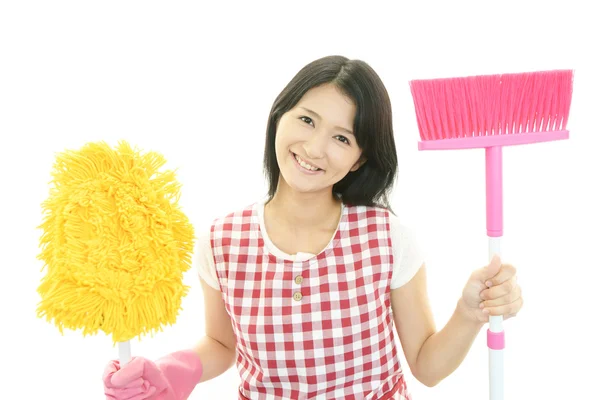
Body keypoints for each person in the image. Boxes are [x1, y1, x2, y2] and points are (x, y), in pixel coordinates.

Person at [102, 55, 523, 400]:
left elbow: (427, 367)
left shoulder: (387, 238)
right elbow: (221, 345)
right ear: (280, 115)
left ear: (359, 158)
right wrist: (174, 371)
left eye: (343, 138)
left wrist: (471, 313)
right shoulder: (221, 241)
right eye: (307, 120)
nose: (315, 148)